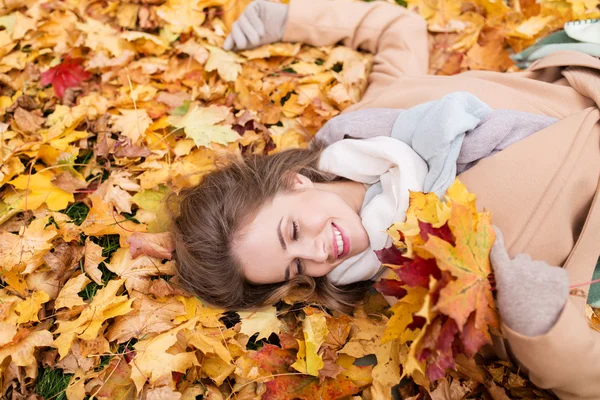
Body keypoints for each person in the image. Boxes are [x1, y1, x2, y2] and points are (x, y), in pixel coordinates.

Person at [171, 1, 600, 398]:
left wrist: (285, 18)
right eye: (297, 266)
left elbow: (400, 28)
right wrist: (543, 328)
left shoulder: (367, 125)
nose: (319, 252)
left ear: (295, 182)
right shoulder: (416, 284)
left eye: (294, 232)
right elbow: (573, 373)